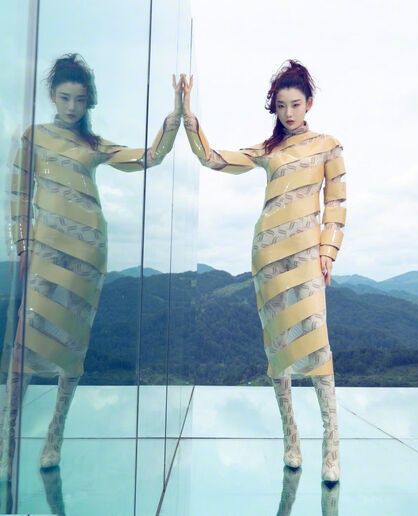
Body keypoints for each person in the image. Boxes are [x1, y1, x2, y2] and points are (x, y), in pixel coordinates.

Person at [0, 53, 181, 470]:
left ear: (88, 102)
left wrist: (175, 117)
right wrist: (22, 244)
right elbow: (19, 194)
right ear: (52, 95)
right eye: (65, 98)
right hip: (45, 250)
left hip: (88, 252)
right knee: (25, 343)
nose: (71, 107)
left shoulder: (93, 144)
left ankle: (55, 437)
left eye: (80, 100)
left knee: (74, 346)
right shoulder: (33, 138)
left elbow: (149, 157)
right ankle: (7, 441)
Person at [181, 59, 345, 482]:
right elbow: (214, 159)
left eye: (295, 104)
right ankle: (291, 439)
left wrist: (328, 251)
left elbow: (336, 202)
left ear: (309, 103)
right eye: (281, 106)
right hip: (268, 257)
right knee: (278, 351)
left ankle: (331, 447)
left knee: (318, 344)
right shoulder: (269, 149)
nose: (288, 113)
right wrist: (190, 120)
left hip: (307, 258)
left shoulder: (328, 145)